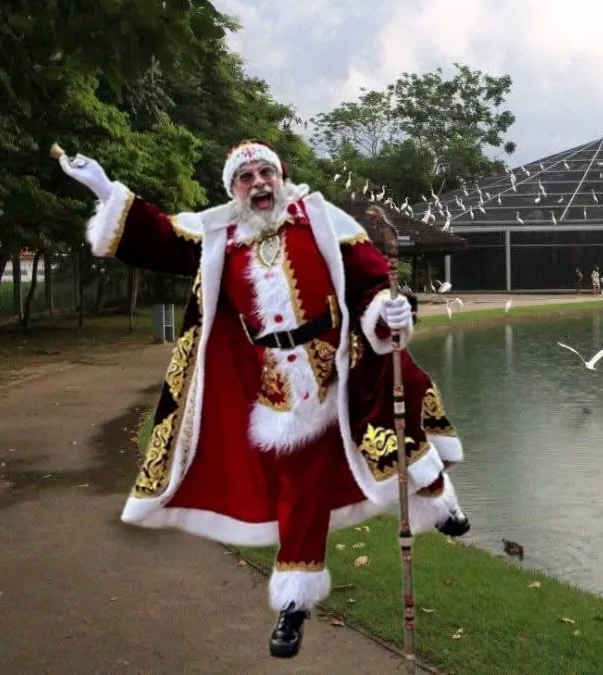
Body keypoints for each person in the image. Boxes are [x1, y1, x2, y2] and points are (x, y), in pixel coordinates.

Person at [55, 139, 470, 659]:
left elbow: (369, 281)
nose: (258, 183)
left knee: (393, 433)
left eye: (265, 172)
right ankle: (295, 603)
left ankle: (440, 502)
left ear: (281, 176)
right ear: (232, 188)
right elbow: (158, 235)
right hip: (282, 390)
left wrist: (388, 310)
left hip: (346, 363)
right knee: (299, 494)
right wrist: (104, 189)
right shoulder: (217, 235)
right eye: (245, 177)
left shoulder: (323, 219)